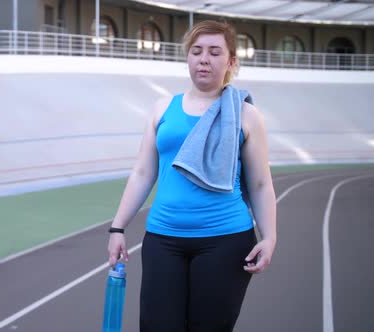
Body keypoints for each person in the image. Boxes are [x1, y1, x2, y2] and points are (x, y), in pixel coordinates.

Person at [107, 20, 277, 332]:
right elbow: (143, 172)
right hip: (163, 240)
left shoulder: (246, 114)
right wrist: (117, 228)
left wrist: (270, 237)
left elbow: (260, 183)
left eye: (215, 52)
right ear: (187, 57)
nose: (204, 59)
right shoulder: (162, 109)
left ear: (231, 61)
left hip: (225, 241)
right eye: (196, 51)